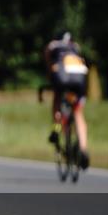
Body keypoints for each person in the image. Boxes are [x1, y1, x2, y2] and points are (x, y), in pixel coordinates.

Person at [45, 31, 90, 169]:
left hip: (62, 76)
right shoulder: (75, 46)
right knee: (77, 113)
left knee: (57, 99)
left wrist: (50, 79)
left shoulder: (52, 46)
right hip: (80, 78)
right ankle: (83, 148)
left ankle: (56, 127)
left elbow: (48, 65)